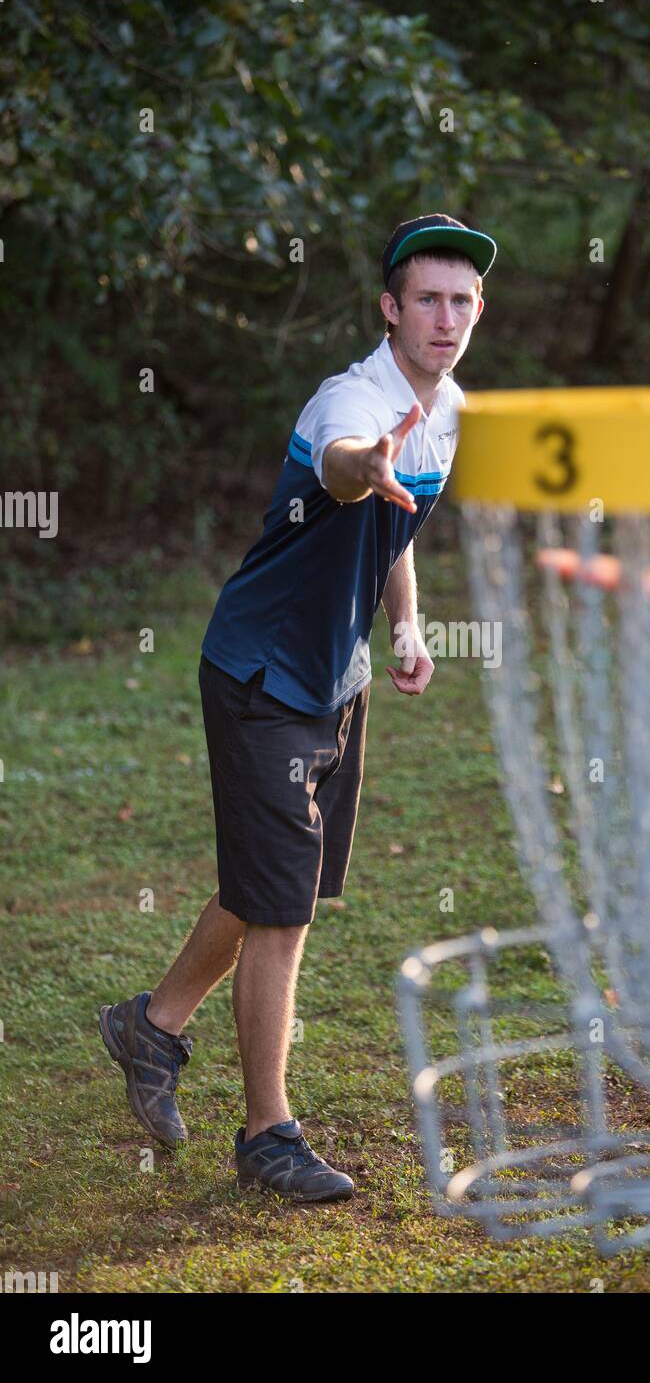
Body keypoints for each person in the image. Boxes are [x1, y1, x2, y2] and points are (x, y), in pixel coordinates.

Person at [98, 213, 496, 1203]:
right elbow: (347, 466)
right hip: (260, 674)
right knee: (281, 908)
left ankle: (151, 1026)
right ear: (390, 309)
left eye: (463, 302)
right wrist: (366, 467)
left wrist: (405, 627)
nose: (445, 319)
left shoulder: (447, 408)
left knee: (279, 884)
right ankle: (268, 1134)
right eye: (429, 300)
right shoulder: (351, 401)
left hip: (337, 677)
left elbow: (398, 530)